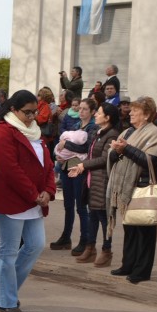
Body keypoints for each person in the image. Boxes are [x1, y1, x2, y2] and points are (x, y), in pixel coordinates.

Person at [0, 90, 56, 312]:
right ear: (13, 110)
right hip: (11, 200)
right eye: (27, 112)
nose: (32, 117)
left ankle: (2, 286)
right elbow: (9, 170)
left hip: (33, 200)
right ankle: (7, 299)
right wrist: (34, 193)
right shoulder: (3, 133)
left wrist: (48, 190)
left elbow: (47, 165)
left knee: (35, 245)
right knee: (8, 251)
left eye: (35, 112)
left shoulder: (35, 132)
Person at [108, 96, 157, 284]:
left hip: (145, 185)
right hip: (128, 186)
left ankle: (142, 270)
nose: (131, 113)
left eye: (136, 110)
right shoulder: (127, 131)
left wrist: (126, 149)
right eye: (132, 110)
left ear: (147, 115)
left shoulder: (154, 133)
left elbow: (151, 161)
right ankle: (128, 264)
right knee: (130, 227)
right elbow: (115, 156)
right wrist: (116, 150)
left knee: (144, 230)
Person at [67, 102, 121, 267]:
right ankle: (90, 248)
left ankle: (106, 251)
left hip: (103, 180)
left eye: (99, 113)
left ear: (108, 117)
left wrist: (84, 165)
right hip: (93, 179)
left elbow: (105, 159)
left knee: (104, 218)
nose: (96, 115)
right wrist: (81, 167)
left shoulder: (111, 135)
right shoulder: (99, 133)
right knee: (93, 217)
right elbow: (92, 154)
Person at [51, 98, 97, 255]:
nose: (81, 111)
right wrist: (60, 152)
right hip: (66, 166)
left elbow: (85, 147)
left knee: (81, 206)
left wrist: (66, 145)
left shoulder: (93, 127)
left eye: (85, 109)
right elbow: (63, 142)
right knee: (68, 204)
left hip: (80, 169)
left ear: (92, 112)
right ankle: (66, 237)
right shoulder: (76, 125)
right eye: (80, 108)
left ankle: (85, 240)